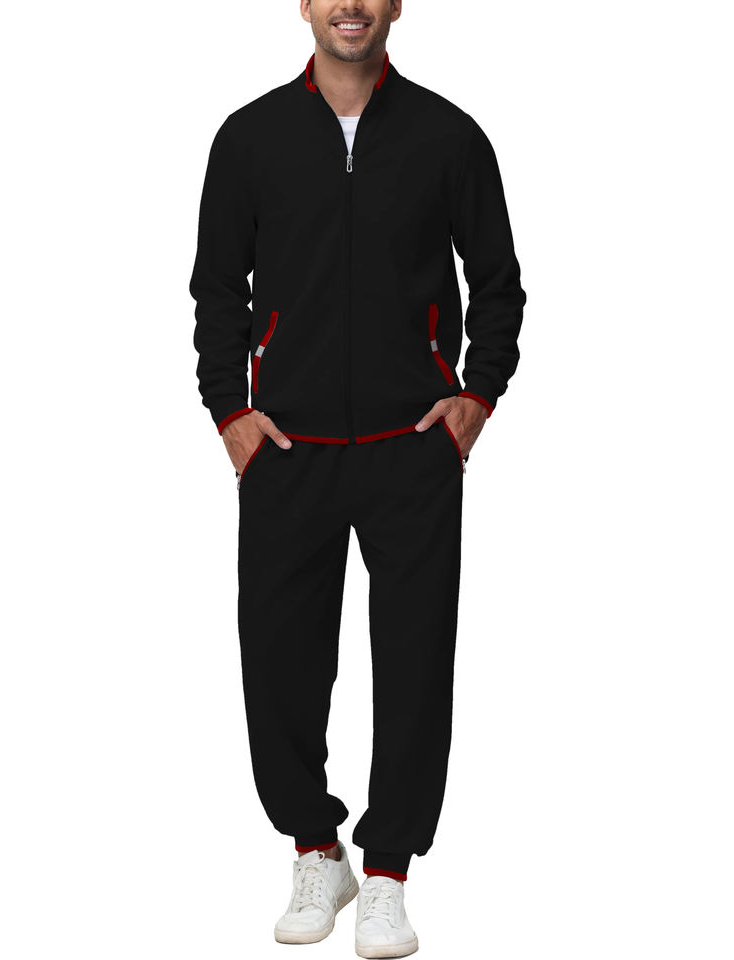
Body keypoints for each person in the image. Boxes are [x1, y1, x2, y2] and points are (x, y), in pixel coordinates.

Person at [188, 1, 526, 955]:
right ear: (303, 2)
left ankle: (387, 874)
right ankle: (315, 849)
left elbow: (499, 282)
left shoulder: (450, 137)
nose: (352, 5)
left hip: (411, 449)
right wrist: (230, 411)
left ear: (397, 4)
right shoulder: (249, 138)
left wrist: (476, 398)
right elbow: (217, 287)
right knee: (280, 663)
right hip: (285, 449)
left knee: (414, 665)